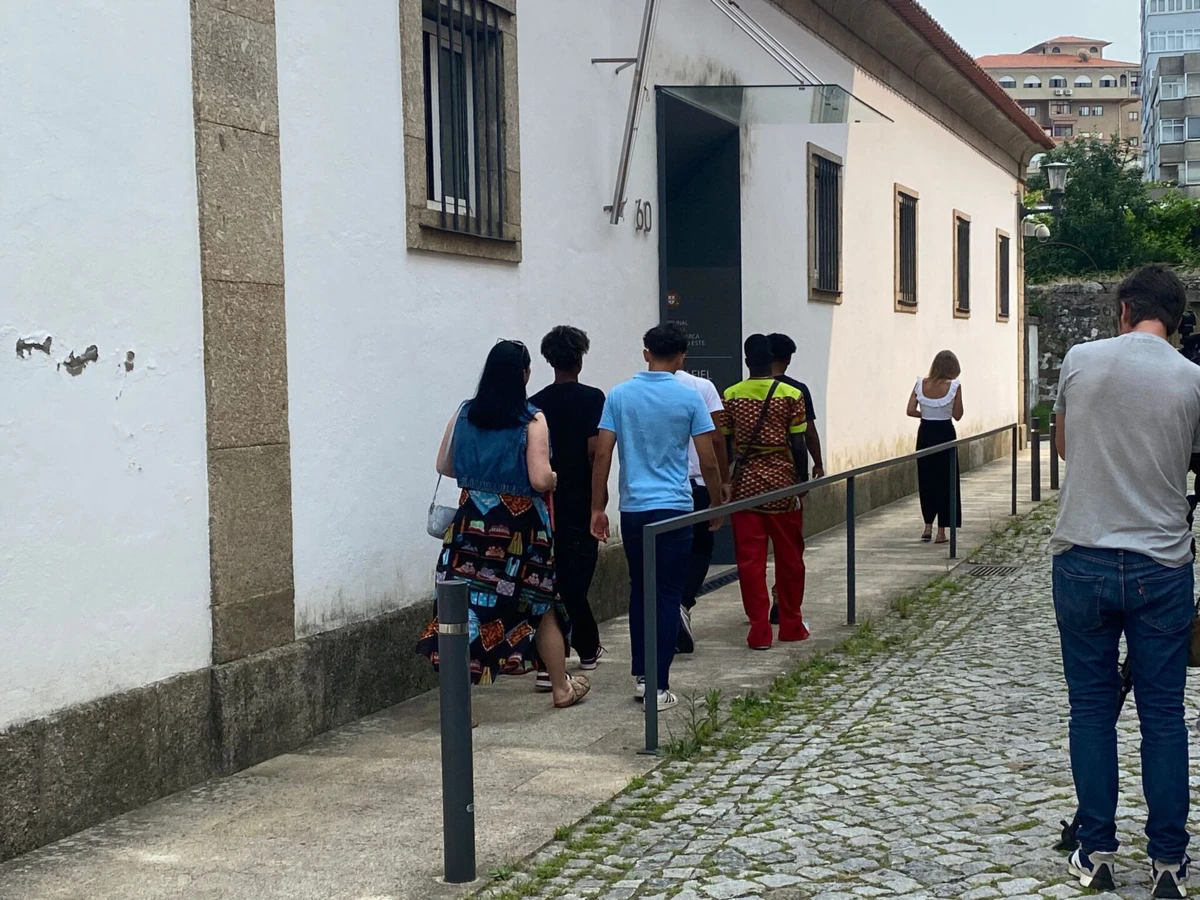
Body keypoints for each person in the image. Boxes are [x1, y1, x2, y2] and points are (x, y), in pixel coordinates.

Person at [1051, 264, 1200, 896]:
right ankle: (1168, 859)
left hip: (1083, 553)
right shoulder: (1192, 378)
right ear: (1177, 319)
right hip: (1161, 562)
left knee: (1090, 709)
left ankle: (1098, 850)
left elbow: (1064, 446)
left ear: (1123, 310)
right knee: (1163, 715)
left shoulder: (1080, 360)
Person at [417, 340, 590, 710]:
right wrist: (555, 478)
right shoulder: (532, 419)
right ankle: (561, 688)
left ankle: (458, 709)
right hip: (520, 531)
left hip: (470, 527)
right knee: (541, 603)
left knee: (461, 610)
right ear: (524, 375)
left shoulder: (464, 413)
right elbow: (540, 478)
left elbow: (444, 465)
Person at [591, 323, 724, 712]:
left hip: (634, 508)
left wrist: (598, 506)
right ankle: (658, 684)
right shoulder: (690, 397)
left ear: (646, 352)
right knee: (668, 594)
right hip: (676, 507)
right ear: (682, 357)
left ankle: (641, 675)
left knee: (640, 590)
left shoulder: (619, 395)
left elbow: (603, 454)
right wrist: (716, 501)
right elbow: (708, 459)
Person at [720, 334, 809, 651]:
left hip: (746, 488)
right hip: (783, 486)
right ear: (772, 360)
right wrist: (801, 482)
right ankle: (791, 624)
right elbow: (798, 443)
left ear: (746, 362)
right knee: (790, 559)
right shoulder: (791, 394)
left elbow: (727, 444)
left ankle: (759, 631)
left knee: (750, 563)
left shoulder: (731, 395)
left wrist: (726, 480)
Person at [530, 326, 607, 676]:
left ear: (550, 361)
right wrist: (599, 499)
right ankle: (586, 647)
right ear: (580, 359)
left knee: (551, 577)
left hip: (545, 500)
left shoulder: (535, 403)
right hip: (581, 497)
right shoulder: (592, 398)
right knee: (578, 578)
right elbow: (595, 451)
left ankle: (551, 660)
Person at [767, 333, 825, 625]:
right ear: (788, 360)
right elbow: (807, 433)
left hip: (751, 480)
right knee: (788, 543)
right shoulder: (797, 390)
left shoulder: (742, 390)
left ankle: (757, 605)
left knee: (755, 546)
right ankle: (781, 595)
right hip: (787, 476)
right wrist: (817, 464)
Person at [674, 368, 730, 654]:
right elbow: (716, 439)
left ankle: (671, 609)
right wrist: (721, 482)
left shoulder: (635, 390)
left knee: (670, 551)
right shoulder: (702, 387)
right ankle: (682, 602)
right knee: (700, 548)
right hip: (697, 484)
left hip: (663, 488)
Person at [906, 351, 963, 544]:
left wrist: (925, 414)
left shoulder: (920, 384)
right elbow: (958, 415)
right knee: (946, 481)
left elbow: (910, 410)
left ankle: (927, 526)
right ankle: (941, 532)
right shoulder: (954, 386)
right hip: (945, 433)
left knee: (927, 479)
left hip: (925, 433)